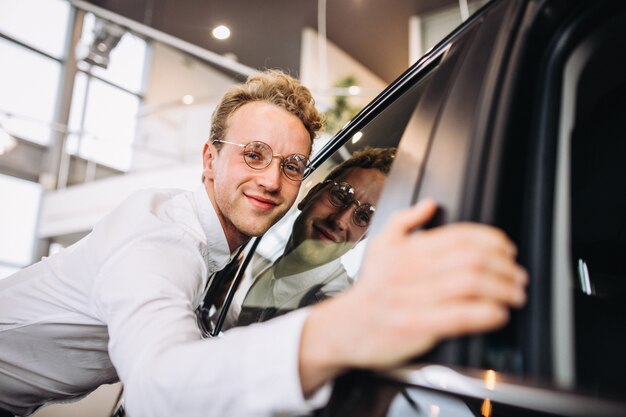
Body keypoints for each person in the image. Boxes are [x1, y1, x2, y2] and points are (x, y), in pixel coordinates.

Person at [0, 70, 527, 417]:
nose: (272, 181)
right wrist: (351, 324)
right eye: (253, 154)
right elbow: (158, 388)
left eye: (291, 165)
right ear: (210, 158)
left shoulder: (227, 246)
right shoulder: (160, 239)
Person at [228, 146, 396, 327]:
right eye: (340, 195)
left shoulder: (333, 315)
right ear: (311, 194)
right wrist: (222, 302)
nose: (340, 220)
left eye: (364, 216)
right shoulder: (278, 272)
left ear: (362, 238)